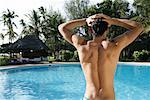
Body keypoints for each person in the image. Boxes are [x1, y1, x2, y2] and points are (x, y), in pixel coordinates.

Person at [58, 14, 143, 100]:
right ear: (107, 29)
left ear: (91, 30)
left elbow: (62, 28)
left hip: (90, 97)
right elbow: (138, 27)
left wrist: (85, 20)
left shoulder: (82, 46)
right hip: (108, 97)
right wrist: (112, 20)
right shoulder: (115, 46)